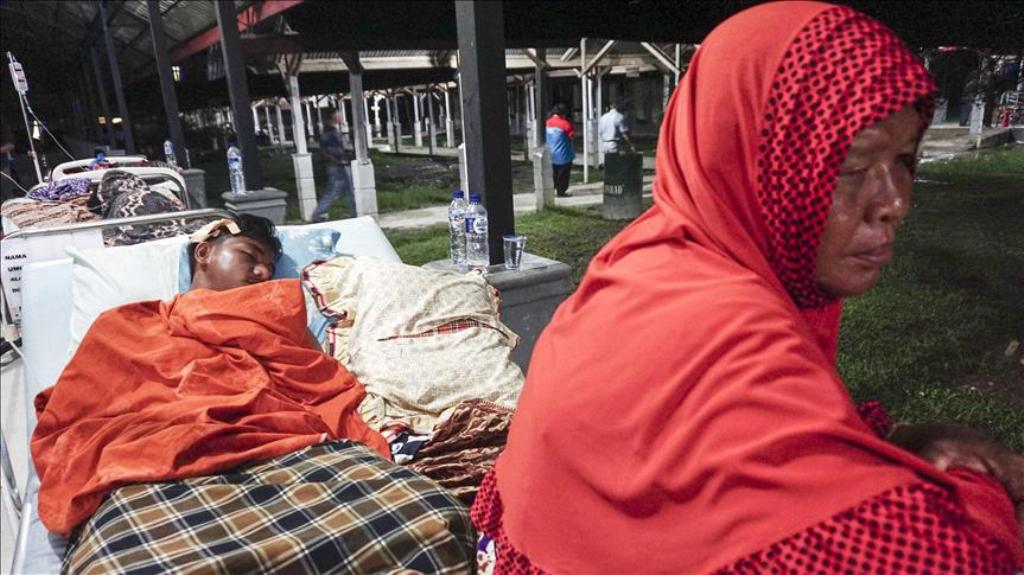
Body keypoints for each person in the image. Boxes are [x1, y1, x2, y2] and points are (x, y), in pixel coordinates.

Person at [471, 2, 1024, 573]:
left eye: (906, 159)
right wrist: (976, 481)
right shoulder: (723, 338)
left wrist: (892, 439)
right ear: (746, 156)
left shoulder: (644, 259)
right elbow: (953, 558)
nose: (895, 204)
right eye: (853, 167)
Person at [187, 213, 280, 291]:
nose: (266, 273)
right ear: (203, 253)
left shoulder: (283, 304)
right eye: (250, 256)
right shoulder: (175, 311)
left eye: (271, 269)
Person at [313, 110, 356, 221]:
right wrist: (336, 159)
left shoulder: (333, 131)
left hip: (340, 163)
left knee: (348, 190)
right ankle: (318, 213)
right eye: (338, 114)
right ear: (333, 116)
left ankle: (353, 212)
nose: (341, 116)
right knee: (333, 190)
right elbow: (326, 150)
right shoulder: (330, 132)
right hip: (337, 164)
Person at [545, 103, 575, 197]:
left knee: (554, 173)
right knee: (563, 175)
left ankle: (553, 189)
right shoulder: (565, 124)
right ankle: (561, 192)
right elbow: (571, 136)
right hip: (563, 154)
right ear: (563, 114)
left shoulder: (548, 123)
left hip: (551, 153)